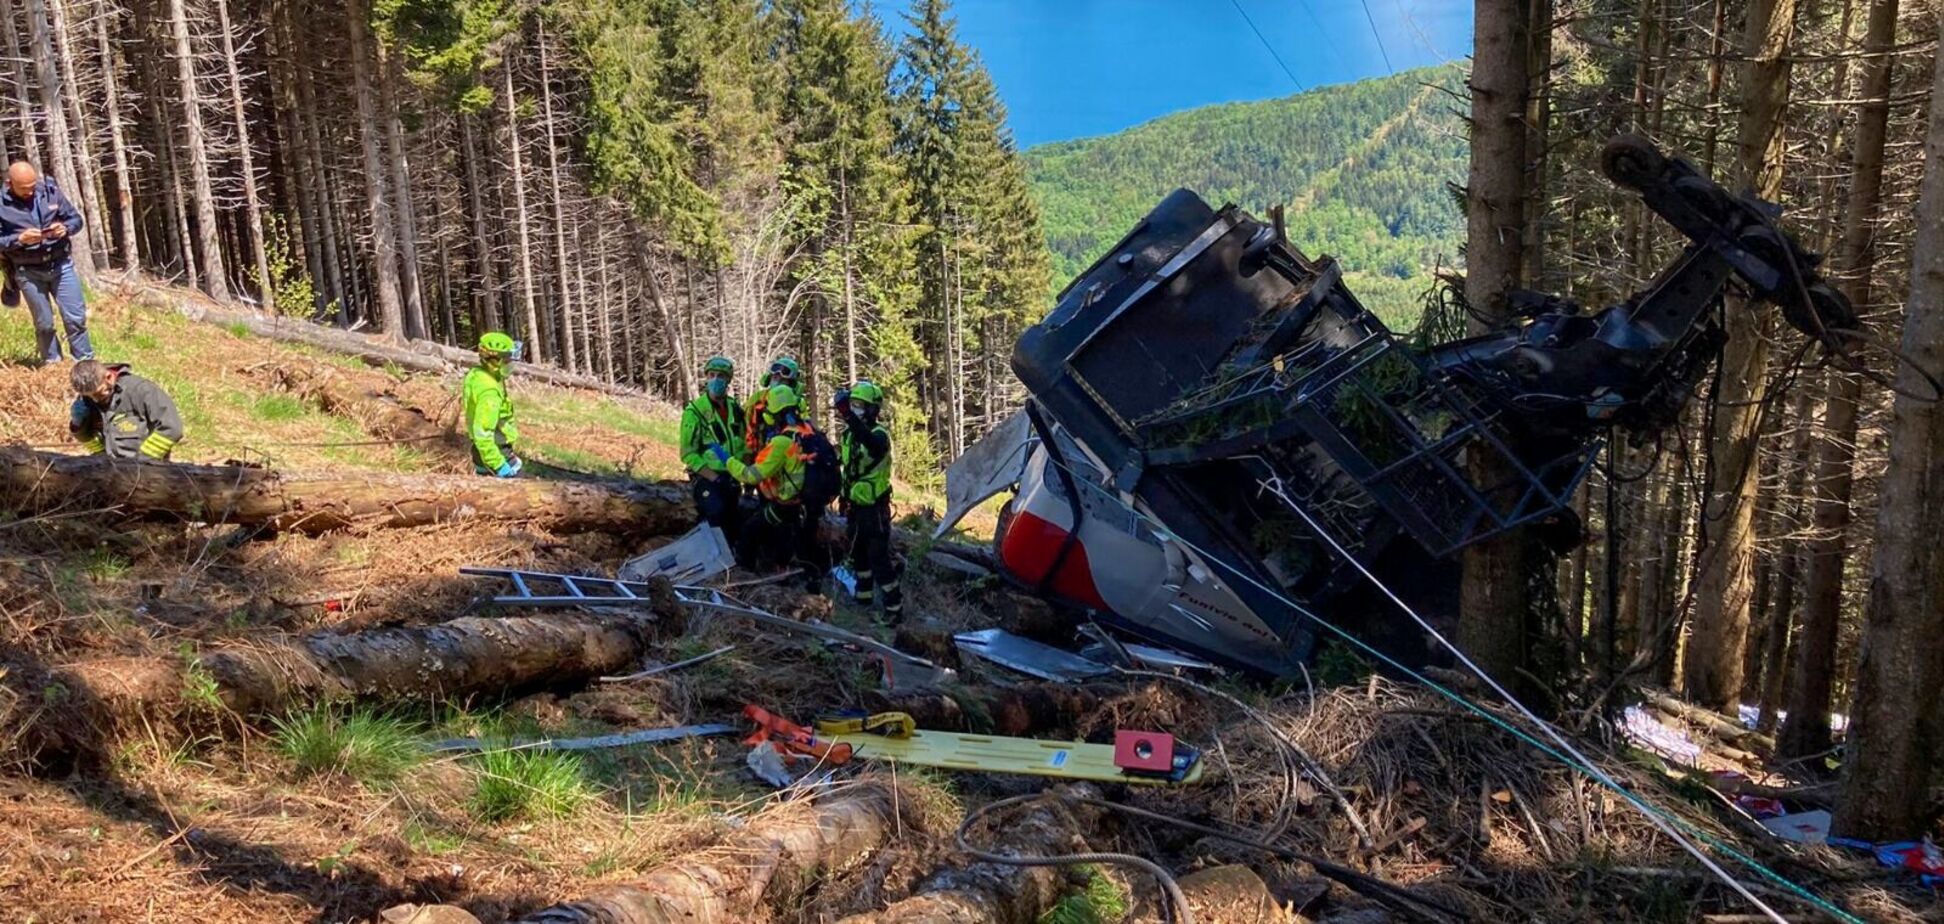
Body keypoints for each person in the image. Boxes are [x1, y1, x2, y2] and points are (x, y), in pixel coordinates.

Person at [721, 382, 837, 592]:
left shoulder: (782, 443)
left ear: (772, 414)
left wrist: (727, 460)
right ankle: (810, 585)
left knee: (750, 530)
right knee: (802, 546)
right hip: (810, 505)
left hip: (788, 505)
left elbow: (751, 475)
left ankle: (743, 579)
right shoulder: (811, 433)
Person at [0, 162, 91, 365]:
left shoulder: (50, 192)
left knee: (75, 318)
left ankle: (85, 364)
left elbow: (76, 220)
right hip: (27, 271)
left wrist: (65, 228)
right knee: (44, 324)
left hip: (60, 264)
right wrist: (19, 239)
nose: (30, 191)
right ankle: (53, 365)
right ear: (9, 184)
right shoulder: (1, 205)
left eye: (33, 186)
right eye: (24, 189)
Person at [836, 379, 901, 621]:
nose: (854, 409)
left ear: (873, 409)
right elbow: (849, 468)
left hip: (875, 509)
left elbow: (872, 446)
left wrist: (849, 417)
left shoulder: (878, 435)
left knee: (879, 558)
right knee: (858, 554)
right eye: (852, 404)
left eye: (860, 405)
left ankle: (894, 609)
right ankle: (863, 597)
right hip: (855, 505)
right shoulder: (848, 435)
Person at [679, 355, 748, 541]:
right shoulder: (695, 412)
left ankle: (732, 564)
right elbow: (688, 453)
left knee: (733, 522)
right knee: (714, 513)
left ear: (728, 380)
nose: (716, 379)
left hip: (732, 476)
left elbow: (743, 443)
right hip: (707, 477)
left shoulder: (735, 409)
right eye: (712, 375)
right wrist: (714, 478)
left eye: (721, 376)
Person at [69, 360, 182, 460]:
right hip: (110, 471)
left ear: (109, 377)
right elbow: (92, 441)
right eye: (89, 396)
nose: (95, 400)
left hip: (146, 471)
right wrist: (79, 427)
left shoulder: (141, 391)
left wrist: (142, 462)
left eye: (98, 394)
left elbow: (171, 429)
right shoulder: (87, 399)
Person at [464, 332, 523, 477]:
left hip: (484, 451)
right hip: (496, 452)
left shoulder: (479, 375)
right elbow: (482, 432)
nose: (511, 364)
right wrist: (499, 465)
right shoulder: (489, 392)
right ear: (494, 361)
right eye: (507, 360)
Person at [742, 355, 802, 451]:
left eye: (783, 380)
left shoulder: (797, 402)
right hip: (760, 451)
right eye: (775, 378)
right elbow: (745, 424)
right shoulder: (757, 398)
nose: (777, 383)